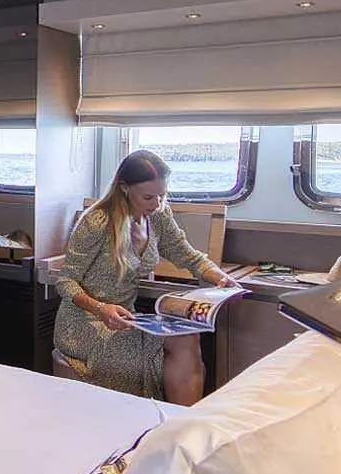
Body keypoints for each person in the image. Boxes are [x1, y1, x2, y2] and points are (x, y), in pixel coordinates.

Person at [53, 150, 235, 405]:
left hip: (127, 316)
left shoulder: (158, 216)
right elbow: (65, 281)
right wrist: (101, 309)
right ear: (124, 188)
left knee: (188, 338)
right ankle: (144, 421)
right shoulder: (97, 222)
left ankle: (181, 421)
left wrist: (221, 278)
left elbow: (188, 256)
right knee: (129, 354)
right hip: (86, 322)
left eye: (162, 195)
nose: (156, 204)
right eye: (148, 197)